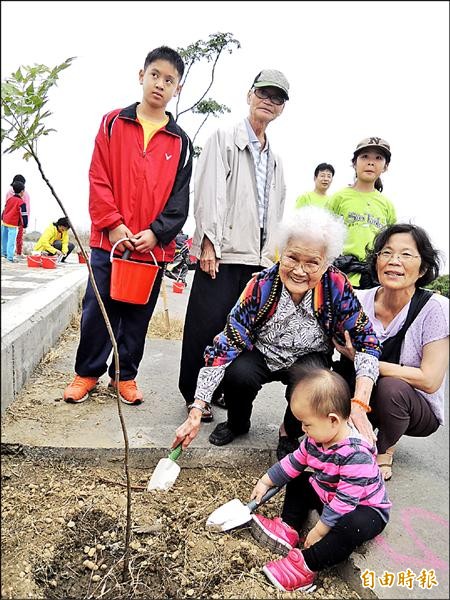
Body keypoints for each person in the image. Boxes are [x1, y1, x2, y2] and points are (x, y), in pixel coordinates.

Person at [172, 206, 381, 458]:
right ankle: (237, 423)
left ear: (326, 264)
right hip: (261, 352)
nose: (299, 271)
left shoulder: (335, 285)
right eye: (292, 258)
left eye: (312, 262)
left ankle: (289, 432)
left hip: (309, 356)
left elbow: (367, 342)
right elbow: (226, 343)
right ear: (281, 253)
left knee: (314, 380)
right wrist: (197, 409)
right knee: (238, 374)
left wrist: (358, 405)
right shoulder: (261, 284)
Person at [63, 46, 193, 405]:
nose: (160, 84)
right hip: (111, 242)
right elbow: (98, 177)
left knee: (138, 313)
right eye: (155, 75)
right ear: (141, 75)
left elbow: (179, 199)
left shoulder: (181, 142)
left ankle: (125, 376)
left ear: (177, 89)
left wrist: (156, 233)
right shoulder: (112, 122)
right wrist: (113, 225)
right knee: (99, 306)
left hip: (152, 247)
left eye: (169, 80)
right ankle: (86, 373)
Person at [178, 69, 289, 419]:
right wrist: (209, 244)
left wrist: (273, 256)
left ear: (282, 108)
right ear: (249, 95)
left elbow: (277, 209)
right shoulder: (224, 138)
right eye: (263, 94)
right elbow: (210, 192)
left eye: (277, 97)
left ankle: (221, 389)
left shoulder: (275, 159)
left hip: (257, 259)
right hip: (223, 253)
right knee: (207, 324)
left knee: (241, 330)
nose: (269, 102)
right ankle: (196, 394)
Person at [249, 366, 391, 593]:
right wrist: (267, 480)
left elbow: (345, 503)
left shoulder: (356, 455)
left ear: (333, 420)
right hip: (330, 494)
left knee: (348, 528)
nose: (303, 429)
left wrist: (320, 529)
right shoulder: (315, 439)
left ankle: (306, 566)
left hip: (363, 508)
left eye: (307, 424)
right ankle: (288, 528)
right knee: (298, 480)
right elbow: (294, 462)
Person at [334, 223, 449, 481]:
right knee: (328, 378)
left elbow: (429, 380)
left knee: (392, 388)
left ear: (422, 269)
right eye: (386, 253)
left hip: (414, 407)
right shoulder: (357, 300)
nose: (394, 261)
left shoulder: (436, 309)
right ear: (376, 262)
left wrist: (361, 359)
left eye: (406, 254)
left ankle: (384, 448)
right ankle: (335, 436)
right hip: (361, 393)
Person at [327, 137, 397, 289]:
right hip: (340, 276)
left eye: (378, 158)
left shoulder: (387, 205)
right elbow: (322, 236)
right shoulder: (338, 198)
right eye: (365, 156)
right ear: (354, 163)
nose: (371, 162)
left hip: (373, 280)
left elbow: (391, 245)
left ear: (385, 167)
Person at [4, 174, 31, 257]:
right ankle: (16, 254)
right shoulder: (25, 194)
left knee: (6, 237)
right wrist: (25, 222)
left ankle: (4, 252)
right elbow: (26, 209)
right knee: (18, 237)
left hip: (7, 218)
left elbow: (6, 205)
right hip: (18, 220)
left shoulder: (9, 192)